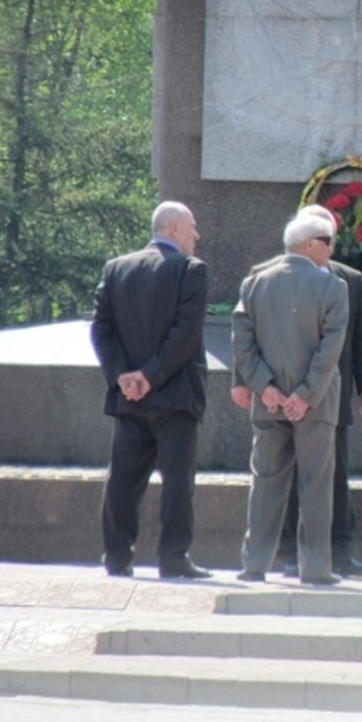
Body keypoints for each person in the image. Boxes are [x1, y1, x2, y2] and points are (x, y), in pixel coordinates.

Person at [231, 204, 362, 578]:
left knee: (265, 485)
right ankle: (315, 567)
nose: (332, 248)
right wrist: (305, 394)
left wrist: (265, 388)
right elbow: (330, 350)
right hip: (316, 406)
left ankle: (254, 565)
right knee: (315, 485)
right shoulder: (333, 286)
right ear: (310, 245)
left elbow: (242, 343)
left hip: (268, 405)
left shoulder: (254, 284)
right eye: (327, 241)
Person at [90, 201, 211, 579]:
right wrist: (149, 375)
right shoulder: (191, 270)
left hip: (128, 396)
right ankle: (173, 558)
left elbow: (101, 329)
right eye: (192, 226)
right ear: (174, 228)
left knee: (123, 479)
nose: (197, 235)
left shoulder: (116, 268)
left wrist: (124, 376)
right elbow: (185, 333)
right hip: (174, 395)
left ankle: (116, 556)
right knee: (177, 481)